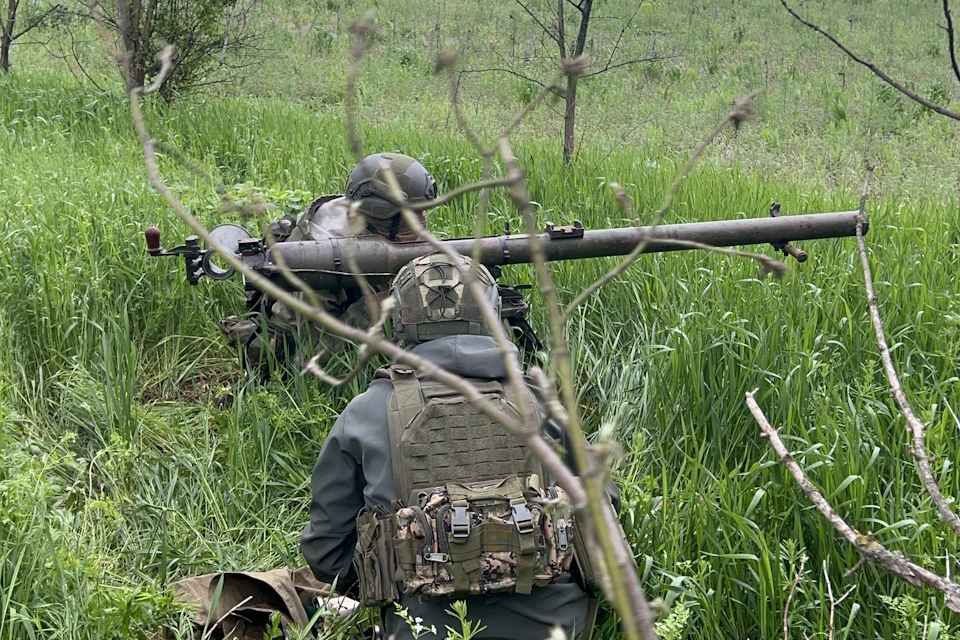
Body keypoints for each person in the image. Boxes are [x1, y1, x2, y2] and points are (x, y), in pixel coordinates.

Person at [300, 252, 623, 640]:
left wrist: (395, 573)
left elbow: (326, 552)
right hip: (558, 628)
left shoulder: (368, 411)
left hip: (420, 629)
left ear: (399, 322)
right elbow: (606, 506)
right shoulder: (539, 401)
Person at [218, 152, 438, 379]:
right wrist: (368, 312)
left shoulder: (381, 230)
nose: (421, 222)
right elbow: (309, 361)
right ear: (379, 215)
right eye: (412, 216)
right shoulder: (318, 261)